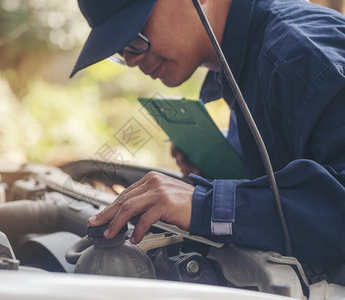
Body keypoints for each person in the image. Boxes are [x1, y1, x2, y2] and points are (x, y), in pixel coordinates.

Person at [70, 0, 345, 267]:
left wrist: (206, 206)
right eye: (120, 48)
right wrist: (217, 174)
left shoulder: (303, 57)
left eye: (136, 33)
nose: (131, 59)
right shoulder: (246, 62)